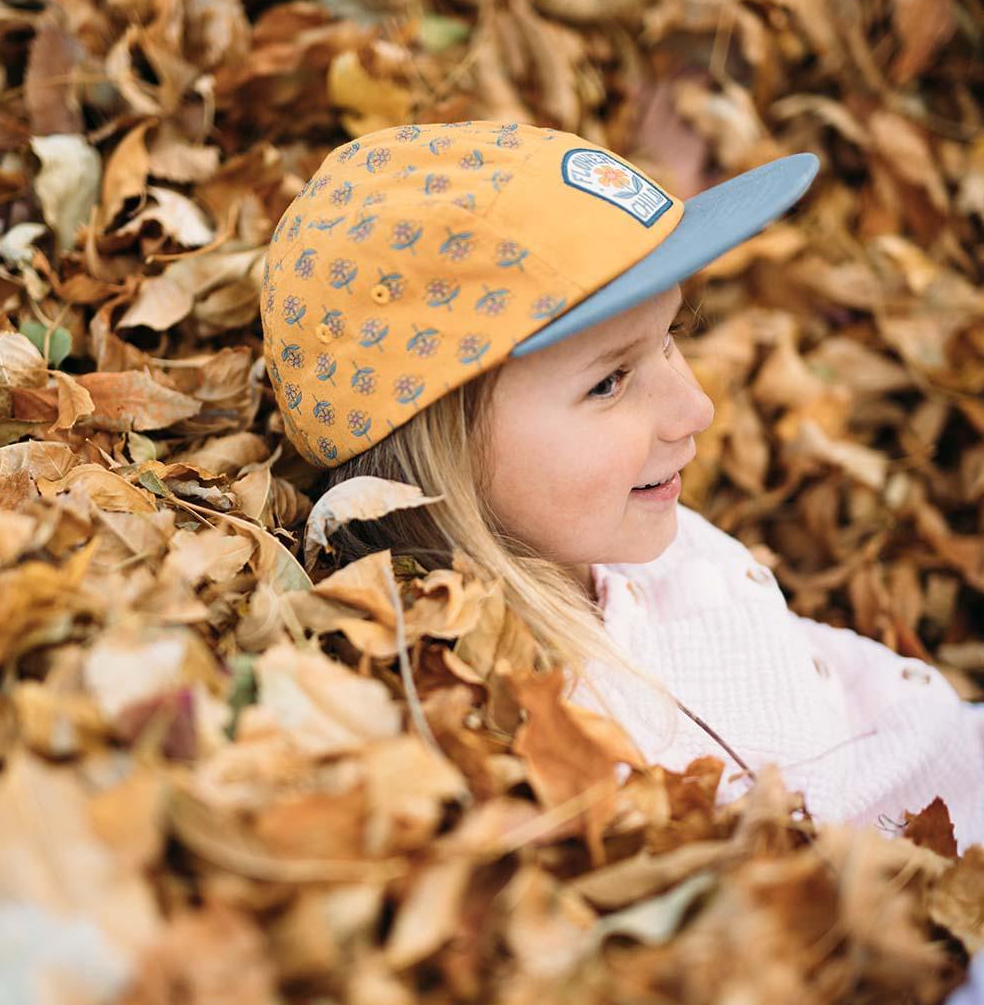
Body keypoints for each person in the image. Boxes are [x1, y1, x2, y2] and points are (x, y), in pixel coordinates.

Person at [259, 120, 984, 854]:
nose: (695, 408)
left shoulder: (622, 531)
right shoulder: (553, 733)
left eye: (669, 337)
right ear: (435, 456)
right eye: (609, 380)